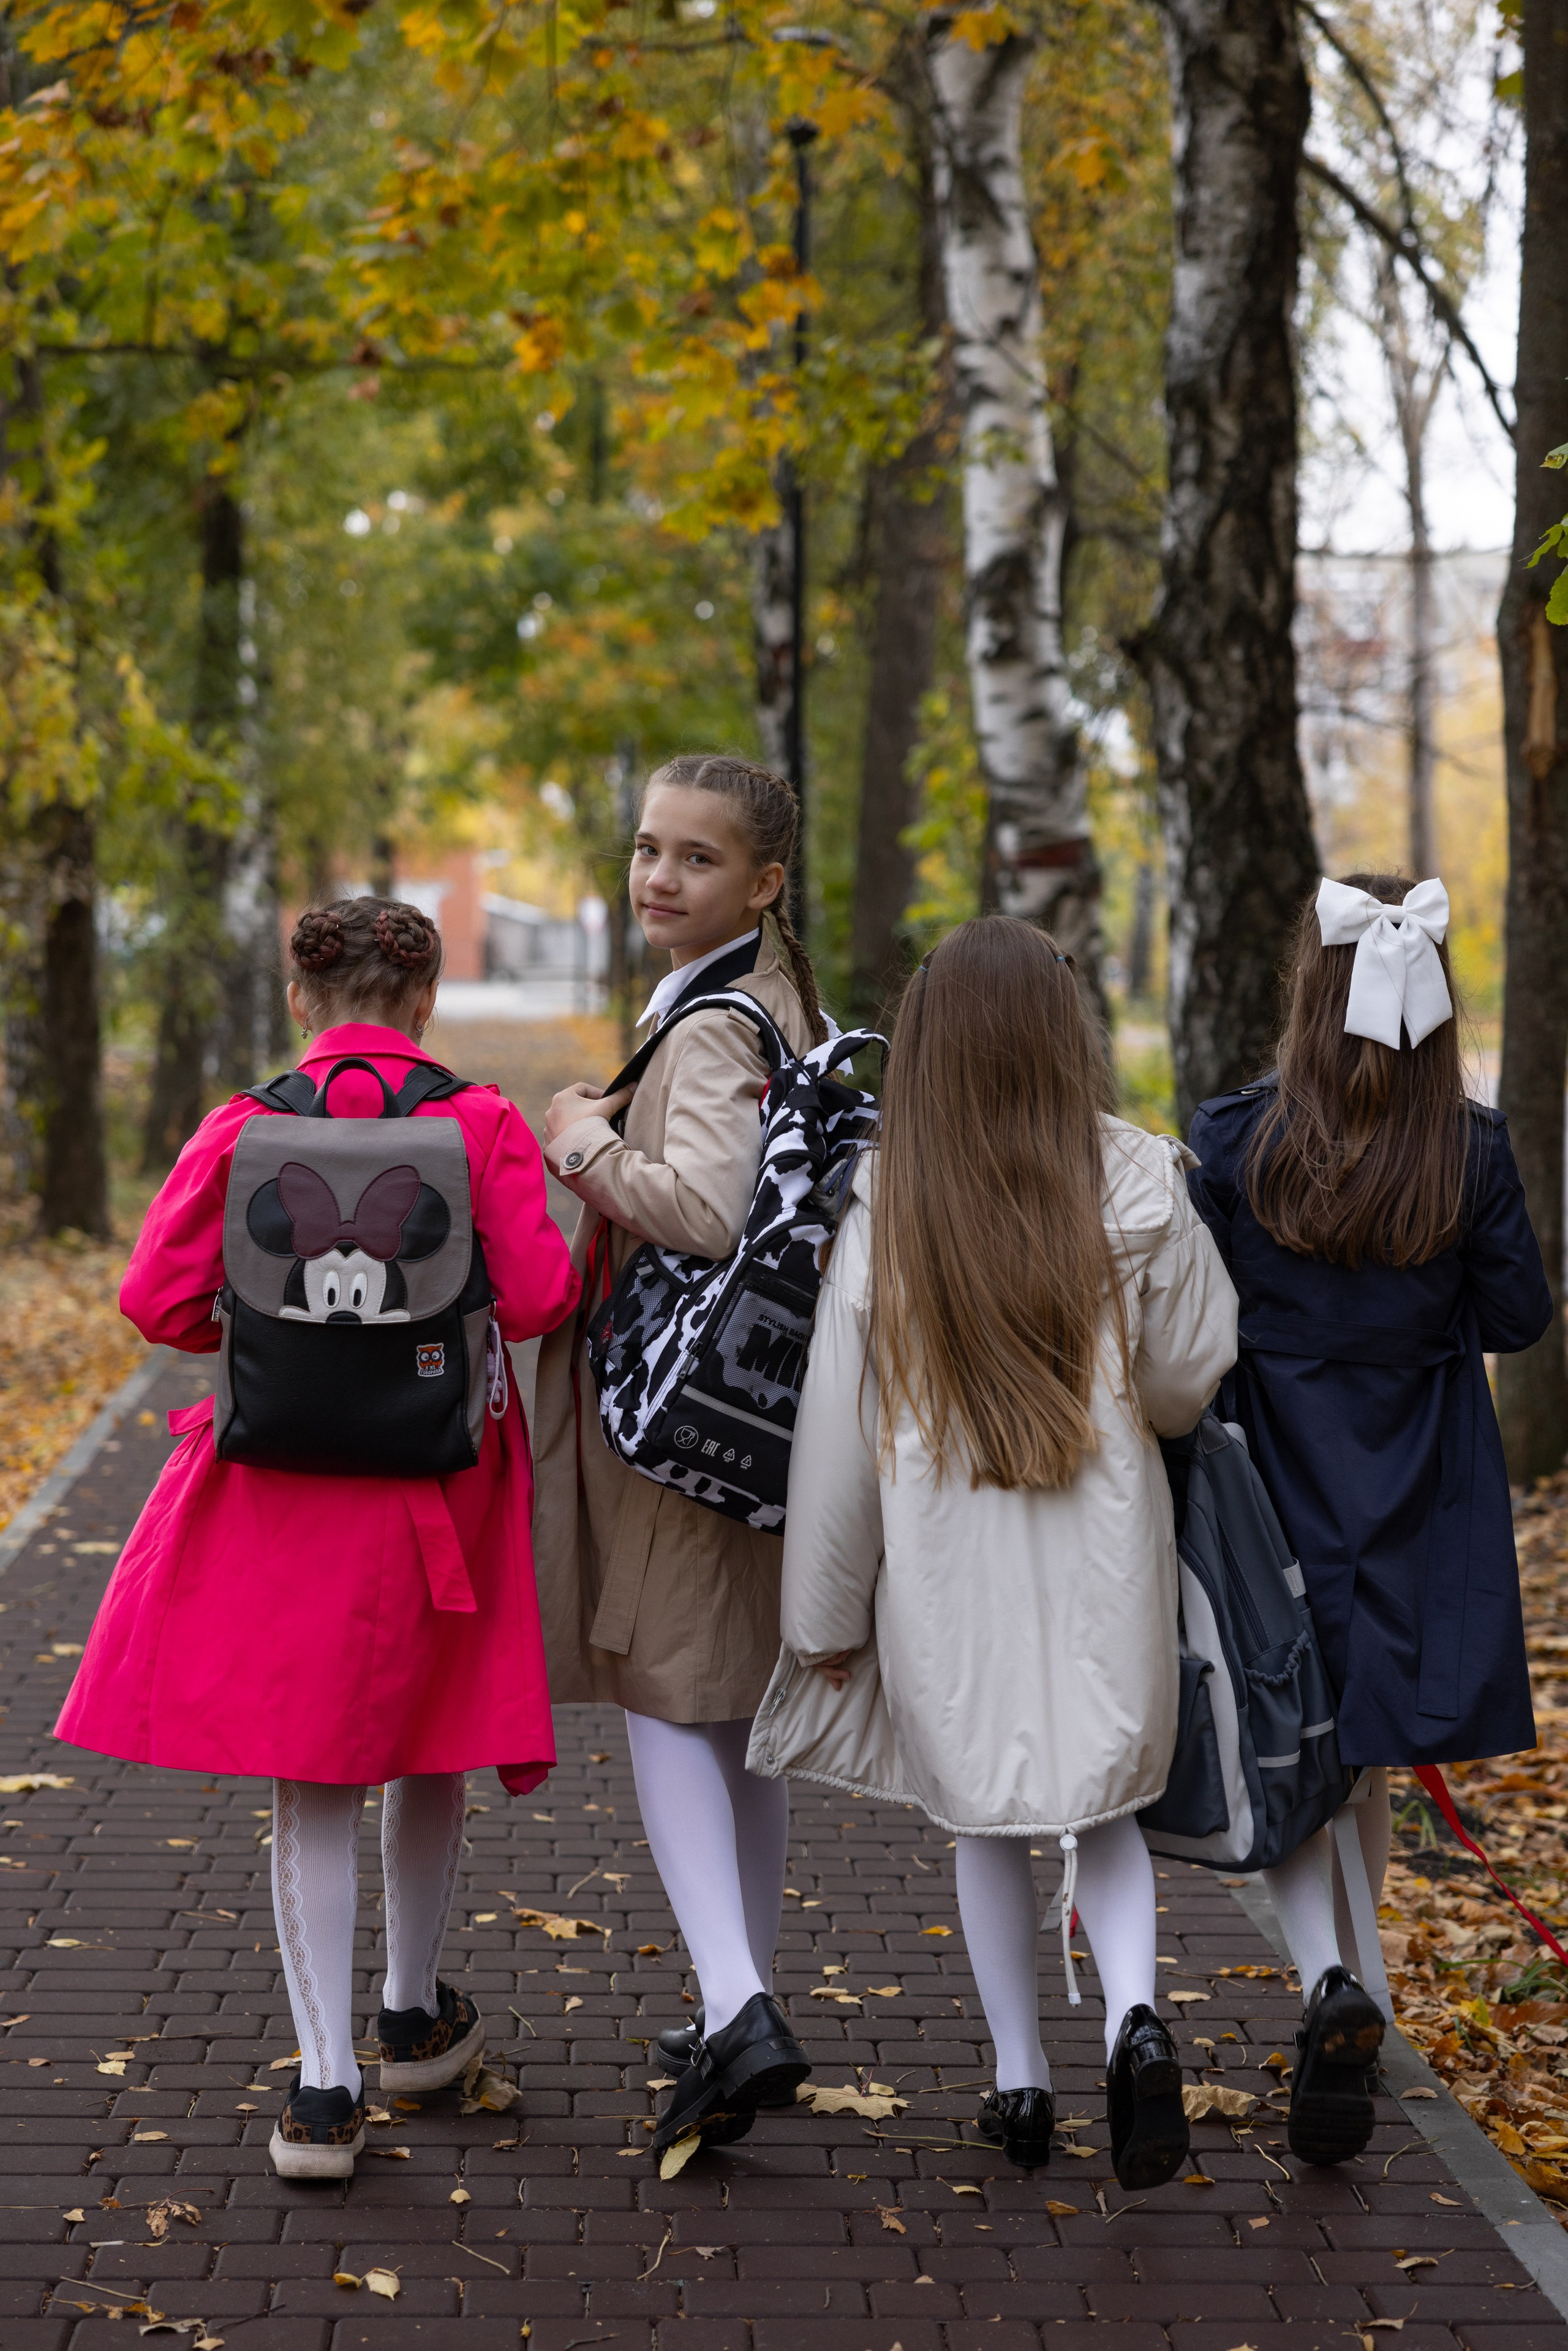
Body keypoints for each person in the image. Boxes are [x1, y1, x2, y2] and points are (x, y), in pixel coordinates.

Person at [56, 897, 578, 2180]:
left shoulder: (246, 1124)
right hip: (437, 1484)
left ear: (302, 997)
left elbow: (155, 1299)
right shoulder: (478, 1120)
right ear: (425, 1001)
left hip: (283, 1489)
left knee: (315, 1773)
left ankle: (325, 2091)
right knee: (428, 1741)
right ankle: (408, 2011)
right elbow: (546, 1293)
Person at [746, 916, 1239, 2184]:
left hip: (944, 1573)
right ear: (1061, 1038)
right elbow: (1186, 1382)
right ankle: (1133, 2017)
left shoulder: (889, 1206)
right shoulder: (1137, 1179)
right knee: (1105, 1808)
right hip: (1104, 1554)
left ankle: (1019, 2079)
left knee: (982, 1822)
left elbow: (841, 1437)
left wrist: (821, 1618)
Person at [1187, 873, 1551, 2167]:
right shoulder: (1470, 1148)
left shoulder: (1234, 1141)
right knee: (1373, 1742)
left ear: (1309, 980)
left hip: (1272, 1478)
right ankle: (1356, 1988)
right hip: (1414, 1488)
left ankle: (1331, 1982)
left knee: (1302, 1733)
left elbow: (1193, 1315)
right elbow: (1515, 1317)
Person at [532, 753, 827, 2150]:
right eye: (648, 847)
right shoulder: (772, 1001)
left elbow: (705, 1210)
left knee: (662, 1693)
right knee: (733, 1706)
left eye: (695, 857)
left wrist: (582, 1144)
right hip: (760, 1409)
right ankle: (735, 1997)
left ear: (761, 882)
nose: (658, 874)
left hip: (677, 1416)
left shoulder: (711, 1024)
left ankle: (736, 1999)